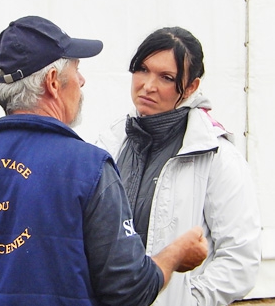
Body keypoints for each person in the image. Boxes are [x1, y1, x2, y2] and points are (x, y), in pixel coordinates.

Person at [0, 16, 208, 306]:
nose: (82, 80)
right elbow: (127, 290)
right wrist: (174, 256)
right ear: (53, 83)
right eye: (77, 69)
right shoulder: (90, 168)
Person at [96, 26, 261, 305]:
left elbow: (240, 258)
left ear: (192, 87)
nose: (148, 85)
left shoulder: (216, 156)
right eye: (142, 69)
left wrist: (188, 299)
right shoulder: (110, 143)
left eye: (166, 77)